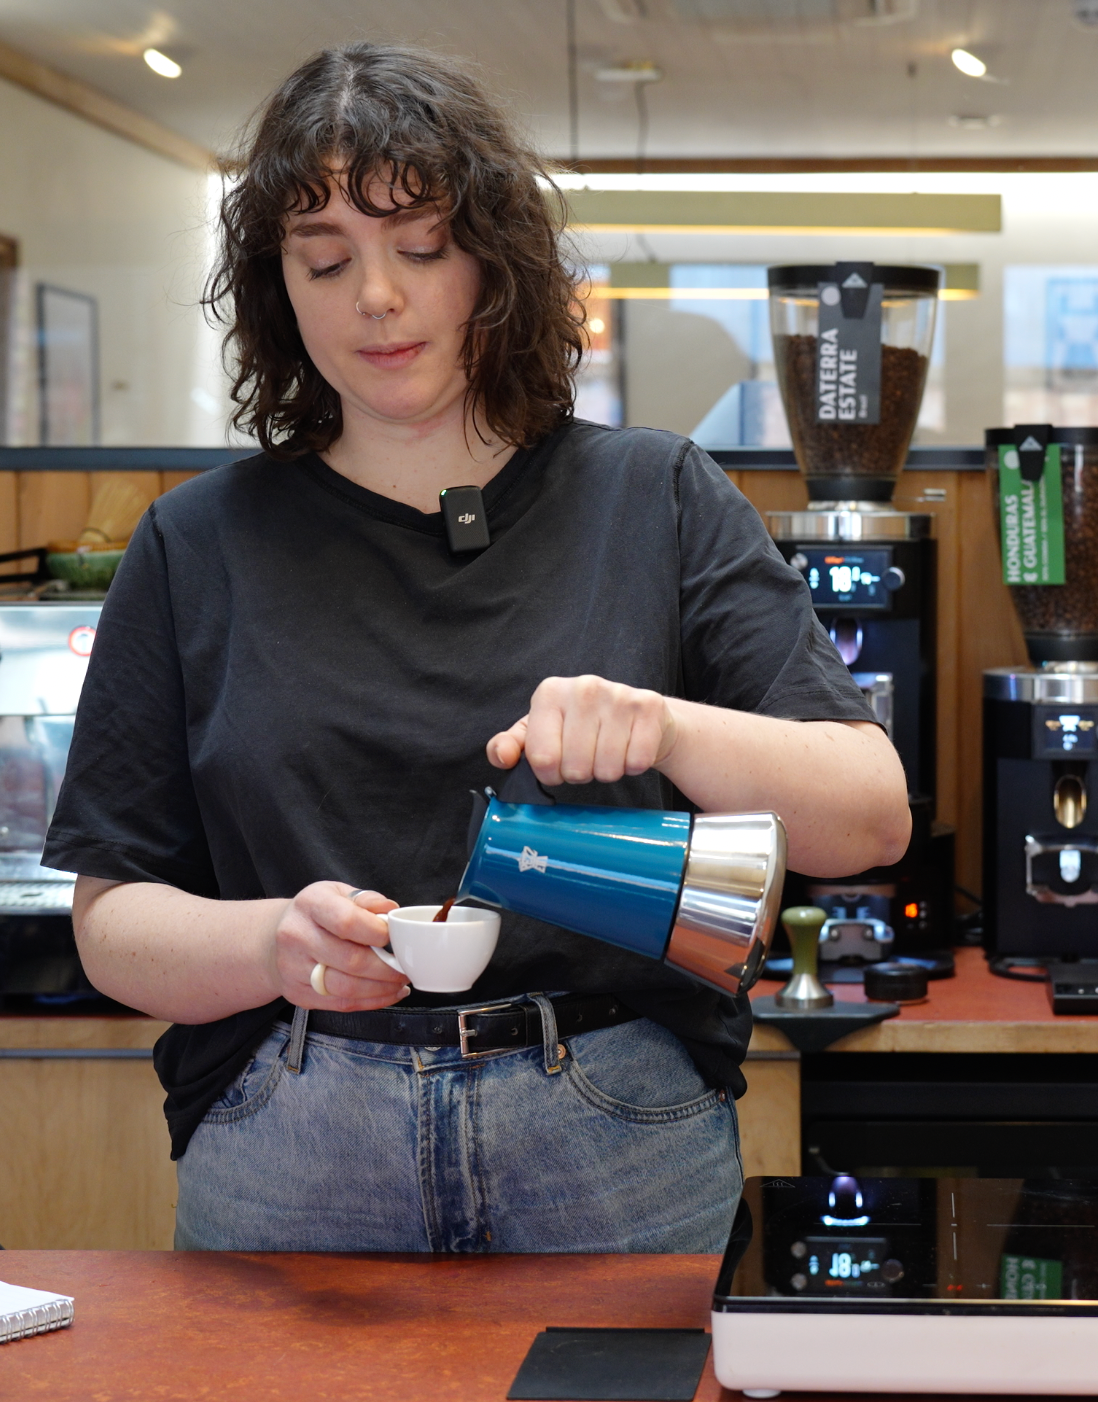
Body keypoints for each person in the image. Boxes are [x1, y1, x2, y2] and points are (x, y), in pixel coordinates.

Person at [44, 42, 909, 1254]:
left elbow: (870, 817)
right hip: (292, 1140)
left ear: (494, 263)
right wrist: (272, 944)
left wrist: (666, 727)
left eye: (421, 246)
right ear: (278, 285)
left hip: (616, 1133)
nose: (375, 297)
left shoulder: (653, 497)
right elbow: (111, 920)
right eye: (325, 259)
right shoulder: (198, 543)